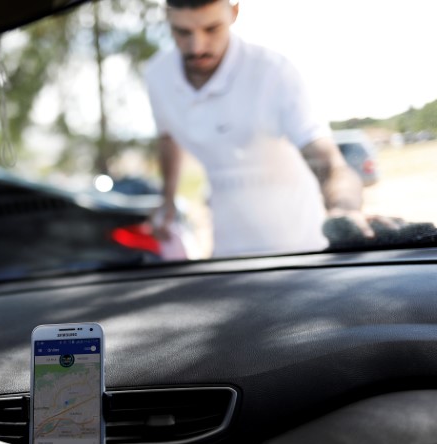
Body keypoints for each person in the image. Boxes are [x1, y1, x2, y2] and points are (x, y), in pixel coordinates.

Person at [144, 0, 389, 258]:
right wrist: (167, 198)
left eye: (212, 28)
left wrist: (345, 209)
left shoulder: (273, 72)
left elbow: (328, 160)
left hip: (301, 247)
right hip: (227, 251)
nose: (197, 47)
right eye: (183, 32)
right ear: (168, 19)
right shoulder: (157, 75)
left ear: (234, 13)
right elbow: (167, 137)